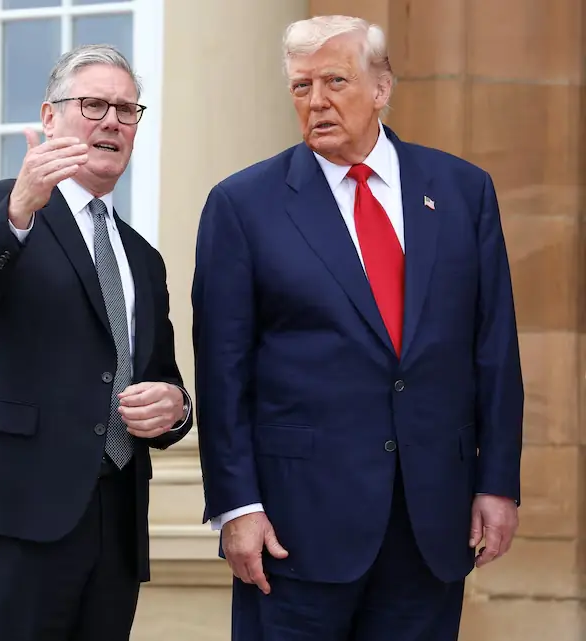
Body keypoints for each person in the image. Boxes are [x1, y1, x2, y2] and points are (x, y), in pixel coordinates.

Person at [191, 15, 523, 641]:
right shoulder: (242, 205)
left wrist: (498, 483)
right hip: (294, 530)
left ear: (381, 87)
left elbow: (494, 351)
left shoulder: (461, 190)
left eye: (334, 81)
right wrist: (237, 506)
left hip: (431, 520)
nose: (316, 101)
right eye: (300, 86)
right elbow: (221, 371)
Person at [0, 43, 193, 641]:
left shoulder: (142, 258)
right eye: (94, 105)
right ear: (49, 117)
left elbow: (161, 375)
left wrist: (176, 408)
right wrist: (20, 209)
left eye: (127, 110)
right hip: (12, 508)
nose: (112, 121)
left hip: (113, 519)